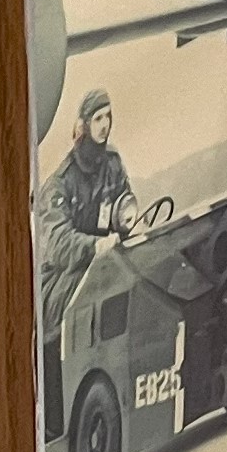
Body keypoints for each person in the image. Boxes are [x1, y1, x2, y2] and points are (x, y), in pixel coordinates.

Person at [33, 89, 138, 347]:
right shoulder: (59, 184)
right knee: (91, 288)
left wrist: (131, 227)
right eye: (98, 118)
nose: (104, 125)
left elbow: (124, 207)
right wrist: (95, 246)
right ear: (85, 124)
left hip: (105, 262)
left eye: (107, 117)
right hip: (61, 279)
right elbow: (58, 244)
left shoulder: (112, 165)